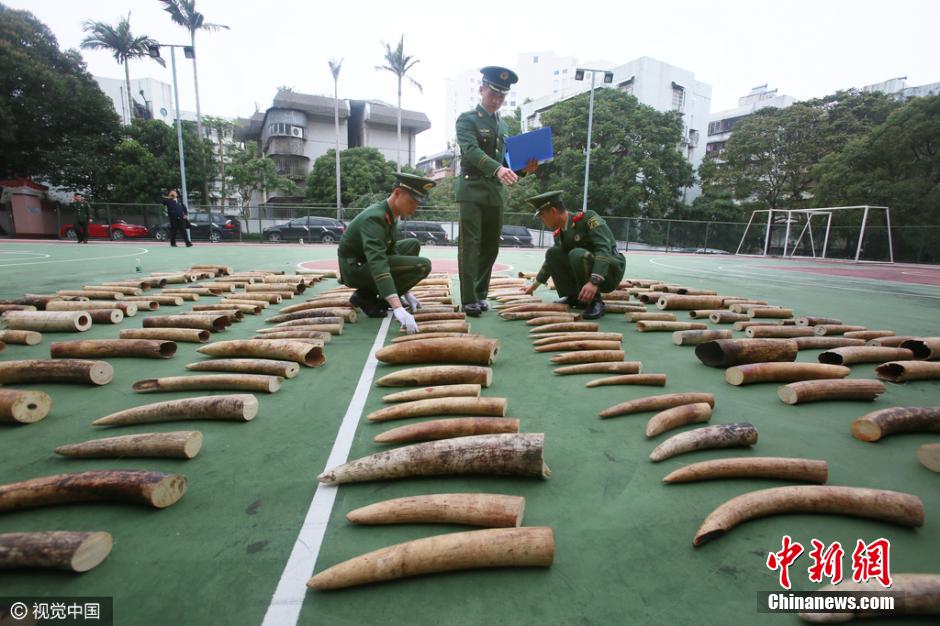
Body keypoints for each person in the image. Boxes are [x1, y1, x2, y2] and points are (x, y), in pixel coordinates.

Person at [455, 65, 537, 317]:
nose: (497, 99)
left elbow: (506, 163)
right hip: (471, 189)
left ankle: (480, 294)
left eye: (502, 95)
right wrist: (497, 169)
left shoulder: (503, 126)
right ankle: (468, 298)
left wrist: (524, 169)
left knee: (491, 246)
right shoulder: (467, 119)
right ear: (482, 90)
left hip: (494, 192)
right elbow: (471, 151)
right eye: (493, 93)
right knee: (470, 245)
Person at [337, 173, 435, 333]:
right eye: (411, 202)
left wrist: (406, 291)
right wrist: (397, 307)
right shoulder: (375, 218)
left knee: (412, 245)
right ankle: (367, 297)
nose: (414, 208)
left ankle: (375, 294)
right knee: (423, 265)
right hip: (355, 269)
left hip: (365, 262)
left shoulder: (389, 214)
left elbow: (392, 252)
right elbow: (378, 262)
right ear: (397, 193)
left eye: (417, 204)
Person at [522, 191, 626, 320]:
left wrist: (594, 282)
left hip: (610, 270)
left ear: (553, 211)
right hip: (590, 267)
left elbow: (604, 248)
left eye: (542, 216)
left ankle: (595, 302)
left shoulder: (588, 218)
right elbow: (550, 262)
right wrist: (534, 286)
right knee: (553, 253)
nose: (542, 220)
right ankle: (575, 297)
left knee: (577, 254)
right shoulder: (560, 234)